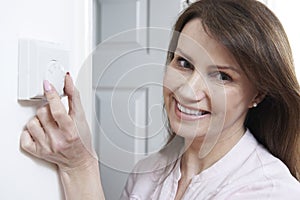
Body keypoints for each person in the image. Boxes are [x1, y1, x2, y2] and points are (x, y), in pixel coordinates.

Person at [20, 0, 300, 199]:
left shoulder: (269, 191)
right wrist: (78, 163)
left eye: (222, 76)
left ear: (258, 93)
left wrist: (82, 167)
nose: (188, 90)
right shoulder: (149, 172)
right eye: (184, 63)